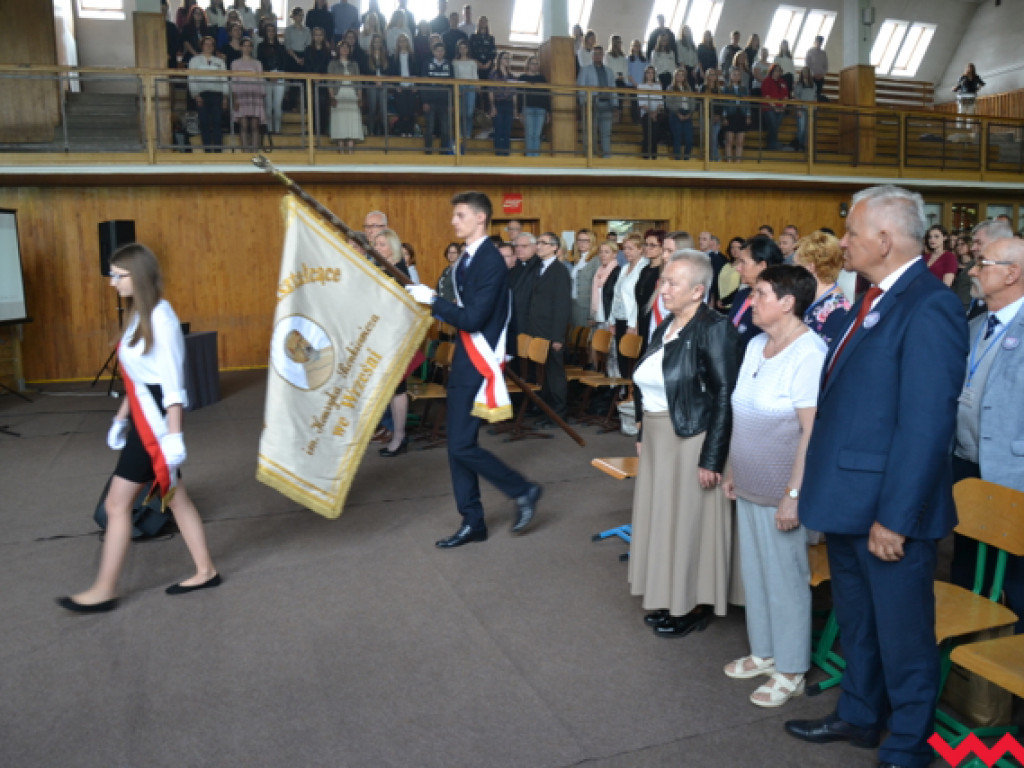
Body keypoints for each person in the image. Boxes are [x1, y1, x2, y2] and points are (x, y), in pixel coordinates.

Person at [784, 186, 969, 768]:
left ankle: (909, 741)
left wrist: (896, 517)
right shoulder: (872, 297)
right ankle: (861, 717)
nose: (844, 242)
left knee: (904, 633)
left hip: (890, 509)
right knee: (860, 622)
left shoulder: (928, 304)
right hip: (849, 499)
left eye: (853, 233)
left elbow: (925, 426)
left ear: (885, 240)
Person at [58, 244, 220, 613]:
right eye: (111, 274)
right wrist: (120, 417)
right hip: (144, 418)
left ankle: (104, 588)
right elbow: (137, 379)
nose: (112, 282)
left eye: (119, 274)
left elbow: (171, 384)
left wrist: (174, 435)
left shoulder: (162, 319)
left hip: (158, 426)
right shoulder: (137, 316)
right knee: (175, 496)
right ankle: (206, 570)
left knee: (117, 504)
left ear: (140, 275)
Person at [405, 192, 542, 548]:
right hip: (466, 357)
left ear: (480, 218)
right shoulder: (469, 257)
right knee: (457, 445)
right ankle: (473, 520)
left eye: (461, 215)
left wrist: (434, 302)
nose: (454, 221)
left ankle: (522, 489)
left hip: (478, 358)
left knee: (461, 445)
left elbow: (474, 318)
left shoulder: (489, 262)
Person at [723, 264, 824, 706]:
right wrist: (730, 468)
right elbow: (740, 411)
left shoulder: (808, 352)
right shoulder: (756, 344)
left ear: (787, 301)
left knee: (785, 580)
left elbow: (811, 432)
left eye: (760, 293)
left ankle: (791, 668)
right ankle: (765, 652)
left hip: (784, 488)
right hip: (747, 480)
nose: (751, 300)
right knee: (757, 575)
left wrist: (794, 494)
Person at [630, 250, 741, 637]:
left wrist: (712, 457)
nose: (663, 289)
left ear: (698, 290)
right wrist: (644, 433)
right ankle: (670, 593)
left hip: (693, 438)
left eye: (671, 282)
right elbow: (648, 386)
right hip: (662, 438)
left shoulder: (715, 327)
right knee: (666, 520)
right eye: (663, 281)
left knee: (690, 524)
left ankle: (692, 603)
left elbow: (727, 395)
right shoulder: (668, 326)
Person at [951, 236, 1024, 632]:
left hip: (1014, 471)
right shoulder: (975, 324)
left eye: (983, 263)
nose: (973, 271)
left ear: (1012, 273)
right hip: (965, 463)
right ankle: (966, 664)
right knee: (966, 562)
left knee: (1015, 577)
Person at [372, 228, 412, 456]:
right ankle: (396, 433)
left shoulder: (398, 270)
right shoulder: (384, 267)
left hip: (395, 338)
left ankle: (399, 437)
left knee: (398, 388)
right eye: (375, 244)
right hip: (385, 336)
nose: (377, 248)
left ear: (393, 247)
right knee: (392, 388)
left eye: (381, 244)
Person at [525, 233, 572, 420]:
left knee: (555, 374)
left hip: (552, 332)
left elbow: (562, 306)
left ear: (555, 248)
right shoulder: (538, 268)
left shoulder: (559, 271)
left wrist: (558, 337)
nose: (539, 246)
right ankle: (547, 409)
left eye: (543, 243)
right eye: (538, 242)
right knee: (542, 374)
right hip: (538, 330)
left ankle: (559, 412)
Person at [793, 231, 851, 346]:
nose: (792, 271)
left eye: (796, 265)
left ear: (810, 267)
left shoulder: (838, 312)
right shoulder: (813, 297)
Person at [729, 235, 784, 351]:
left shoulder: (775, 301)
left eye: (743, 262)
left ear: (762, 266)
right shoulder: (742, 294)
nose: (738, 268)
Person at [608, 234, 648, 374]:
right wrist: (612, 319)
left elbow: (638, 299)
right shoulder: (624, 268)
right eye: (624, 248)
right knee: (621, 358)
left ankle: (631, 392)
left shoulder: (644, 267)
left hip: (632, 321)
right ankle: (623, 391)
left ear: (640, 249)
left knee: (631, 358)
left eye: (630, 248)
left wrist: (633, 324)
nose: (626, 252)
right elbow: (617, 294)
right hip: (619, 317)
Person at [576, 45, 619, 159]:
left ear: (602, 55)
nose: (597, 56)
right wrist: (583, 104)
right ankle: (589, 156)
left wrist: (615, 105)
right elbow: (581, 88)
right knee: (590, 132)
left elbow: (613, 88)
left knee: (606, 133)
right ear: (592, 56)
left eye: (599, 53)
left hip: (607, 105)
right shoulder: (585, 69)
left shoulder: (609, 71)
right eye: (595, 54)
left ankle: (606, 157)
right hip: (591, 104)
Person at [188, 35, 229, 152]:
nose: (209, 46)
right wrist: (196, 95)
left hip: (217, 94)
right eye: (206, 44)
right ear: (202, 46)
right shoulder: (194, 60)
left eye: (211, 44)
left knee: (217, 122)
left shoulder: (219, 61)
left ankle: (217, 150)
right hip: (202, 94)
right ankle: (206, 149)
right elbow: (191, 78)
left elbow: (224, 79)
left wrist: (225, 97)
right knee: (204, 122)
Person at [229, 37, 266, 153]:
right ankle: (245, 150)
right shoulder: (235, 63)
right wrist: (235, 98)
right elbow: (234, 80)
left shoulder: (257, 63)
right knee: (243, 124)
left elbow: (261, 80)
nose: (247, 48)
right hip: (241, 95)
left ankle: (255, 151)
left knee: (255, 124)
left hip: (255, 95)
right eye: (244, 45)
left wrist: (262, 95)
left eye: (249, 46)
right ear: (240, 47)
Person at [328, 39, 363, 154]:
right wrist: (332, 96)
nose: (345, 49)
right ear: (338, 50)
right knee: (340, 121)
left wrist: (359, 96)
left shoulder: (355, 64)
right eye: (342, 47)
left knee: (352, 121)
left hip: (352, 95)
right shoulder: (333, 64)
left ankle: (351, 150)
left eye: (347, 47)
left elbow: (358, 82)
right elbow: (330, 82)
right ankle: (341, 151)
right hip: (339, 94)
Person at [422, 41, 453, 154]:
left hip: (444, 102)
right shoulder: (427, 64)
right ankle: (428, 151)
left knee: (445, 129)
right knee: (429, 128)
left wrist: (451, 103)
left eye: (442, 51)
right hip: (430, 101)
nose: (440, 53)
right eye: (437, 51)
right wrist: (425, 101)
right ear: (433, 52)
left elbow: (452, 85)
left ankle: (444, 151)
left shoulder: (449, 65)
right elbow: (423, 84)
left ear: (444, 52)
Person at [257, 24, 287, 140]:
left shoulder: (281, 46)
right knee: (268, 105)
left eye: (272, 31)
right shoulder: (261, 46)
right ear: (265, 32)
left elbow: (284, 62)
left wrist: (278, 74)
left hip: (279, 75)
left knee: (277, 104)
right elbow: (260, 61)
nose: (270, 33)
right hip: (266, 76)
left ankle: (277, 129)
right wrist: (268, 74)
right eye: (268, 31)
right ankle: (269, 129)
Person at [387, 33, 419, 137]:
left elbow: (416, 72)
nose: (402, 43)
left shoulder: (413, 56)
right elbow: (392, 72)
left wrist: (415, 85)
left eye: (404, 40)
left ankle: (410, 131)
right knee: (401, 111)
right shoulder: (394, 57)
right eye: (400, 41)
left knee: (410, 110)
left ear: (407, 42)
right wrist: (396, 85)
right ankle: (402, 131)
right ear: (398, 43)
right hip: (400, 87)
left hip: (411, 86)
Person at [303, 26, 333, 137]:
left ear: (323, 36)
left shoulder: (327, 51)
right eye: (316, 35)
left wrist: (321, 76)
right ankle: (312, 129)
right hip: (311, 81)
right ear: (313, 36)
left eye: (320, 35)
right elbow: (306, 65)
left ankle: (322, 129)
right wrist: (313, 75)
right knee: (311, 106)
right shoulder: (308, 50)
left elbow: (328, 65)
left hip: (323, 82)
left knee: (323, 106)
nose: (318, 37)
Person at [519, 55, 549, 157]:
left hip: (541, 109)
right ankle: (529, 157)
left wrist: (548, 111)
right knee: (529, 133)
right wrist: (519, 111)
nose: (535, 66)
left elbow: (546, 95)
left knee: (537, 134)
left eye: (537, 64)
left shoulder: (542, 78)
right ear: (528, 65)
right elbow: (519, 95)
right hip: (528, 108)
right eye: (533, 63)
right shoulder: (523, 77)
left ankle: (535, 157)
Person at [488, 51, 518, 156]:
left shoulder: (511, 75)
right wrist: (492, 106)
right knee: (499, 130)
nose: (507, 60)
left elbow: (514, 93)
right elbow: (491, 90)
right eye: (505, 58)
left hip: (509, 104)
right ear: (500, 59)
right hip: (498, 103)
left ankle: (506, 153)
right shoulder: (494, 73)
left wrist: (515, 108)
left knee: (507, 131)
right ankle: (498, 153)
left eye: (509, 59)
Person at [569, 229, 597, 328]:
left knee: (585, 338)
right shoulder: (578, 259)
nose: (582, 243)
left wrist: (593, 315)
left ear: (592, 242)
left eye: (586, 240)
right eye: (579, 240)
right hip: (574, 304)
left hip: (587, 306)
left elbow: (597, 288)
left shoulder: (596, 260)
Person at [664, 67, 694, 160]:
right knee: (677, 139)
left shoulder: (688, 88)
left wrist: (690, 113)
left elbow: (693, 102)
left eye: (682, 75)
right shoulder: (670, 88)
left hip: (687, 114)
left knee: (689, 140)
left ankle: (686, 159)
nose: (680, 77)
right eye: (678, 75)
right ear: (675, 76)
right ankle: (677, 160)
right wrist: (677, 113)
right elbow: (668, 103)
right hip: (675, 114)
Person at [722, 65, 750, 162]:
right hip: (730, 114)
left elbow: (747, 103)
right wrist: (724, 116)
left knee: (740, 141)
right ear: (730, 76)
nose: (736, 76)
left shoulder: (744, 89)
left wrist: (748, 115)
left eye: (738, 74)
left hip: (741, 114)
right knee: (729, 141)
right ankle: (729, 161)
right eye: (734, 74)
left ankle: (738, 161)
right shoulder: (726, 89)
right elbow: (724, 104)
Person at [760, 64, 789, 151]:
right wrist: (774, 107)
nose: (778, 72)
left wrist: (783, 107)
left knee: (775, 126)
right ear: (772, 71)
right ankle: (773, 145)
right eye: (776, 70)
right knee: (773, 125)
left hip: (781, 108)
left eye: (779, 71)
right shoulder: (767, 81)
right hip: (768, 107)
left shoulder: (782, 82)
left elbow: (786, 95)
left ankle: (771, 144)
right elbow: (766, 95)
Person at [636, 65, 664, 159]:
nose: (650, 74)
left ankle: (654, 155)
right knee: (648, 134)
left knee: (655, 134)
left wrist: (655, 112)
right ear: (645, 74)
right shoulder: (641, 86)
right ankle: (646, 156)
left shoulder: (658, 86)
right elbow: (641, 103)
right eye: (648, 72)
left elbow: (660, 102)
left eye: (652, 72)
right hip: (646, 113)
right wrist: (650, 112)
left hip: (657, 113)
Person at [791, 66, 816, 151]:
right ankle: (799, 144)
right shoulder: (799, 84)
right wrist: (798, 109)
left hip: (810, 109)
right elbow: (796, 97)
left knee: (808, 129)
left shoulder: (813, 85)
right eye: (803, 72)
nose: (805, 74)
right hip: (801, 109)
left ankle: (803, 145)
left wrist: (814, 109)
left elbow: (814, 97)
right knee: (801, 128)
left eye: (806, 72)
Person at [805, 35, 828, 99]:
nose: (819, 43)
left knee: (818, 94)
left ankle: (816, 108)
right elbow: (807, 64)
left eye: (821, 42)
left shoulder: (824, 53)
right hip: (812, 77)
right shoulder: (810, 51)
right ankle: (810, 108)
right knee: (811, 93)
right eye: (818, 41)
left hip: (821, 77)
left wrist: (822, 75)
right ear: (815, 42)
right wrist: (813, 74)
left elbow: (826, 66)